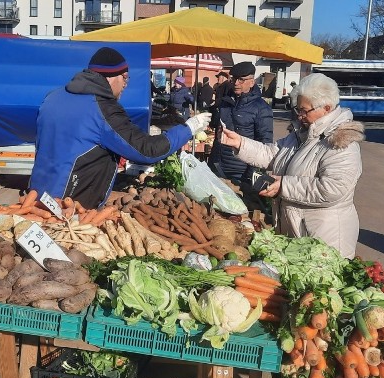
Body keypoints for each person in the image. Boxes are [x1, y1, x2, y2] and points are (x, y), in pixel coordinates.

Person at [31, 47, 211, 209]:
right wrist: (188, 128)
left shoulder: (52, 97)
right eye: (124, 77)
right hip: (68, 205)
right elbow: (147, 151)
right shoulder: (103, 108)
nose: (126, 84)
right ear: (109, 76)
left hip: (36, 195)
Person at [216, 73, 365, 259]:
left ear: (326, 108)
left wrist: (284, 186)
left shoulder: (342, 143)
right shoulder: (302, 134)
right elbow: (271, 154)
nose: (300, 115)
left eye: (305, 111)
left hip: (324, 241)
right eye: (298, 109)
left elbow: (333, 189)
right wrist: (240, 143)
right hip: (296, 233)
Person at [208, 61, 273, 183]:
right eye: (234, 79)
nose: (236, 83)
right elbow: (216, 128)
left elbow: (265, 144)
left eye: (241, 80)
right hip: (217, 166)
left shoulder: (262, 108)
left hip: (241, 173)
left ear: (252, 82)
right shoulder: (225, 102)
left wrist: (251, 176)